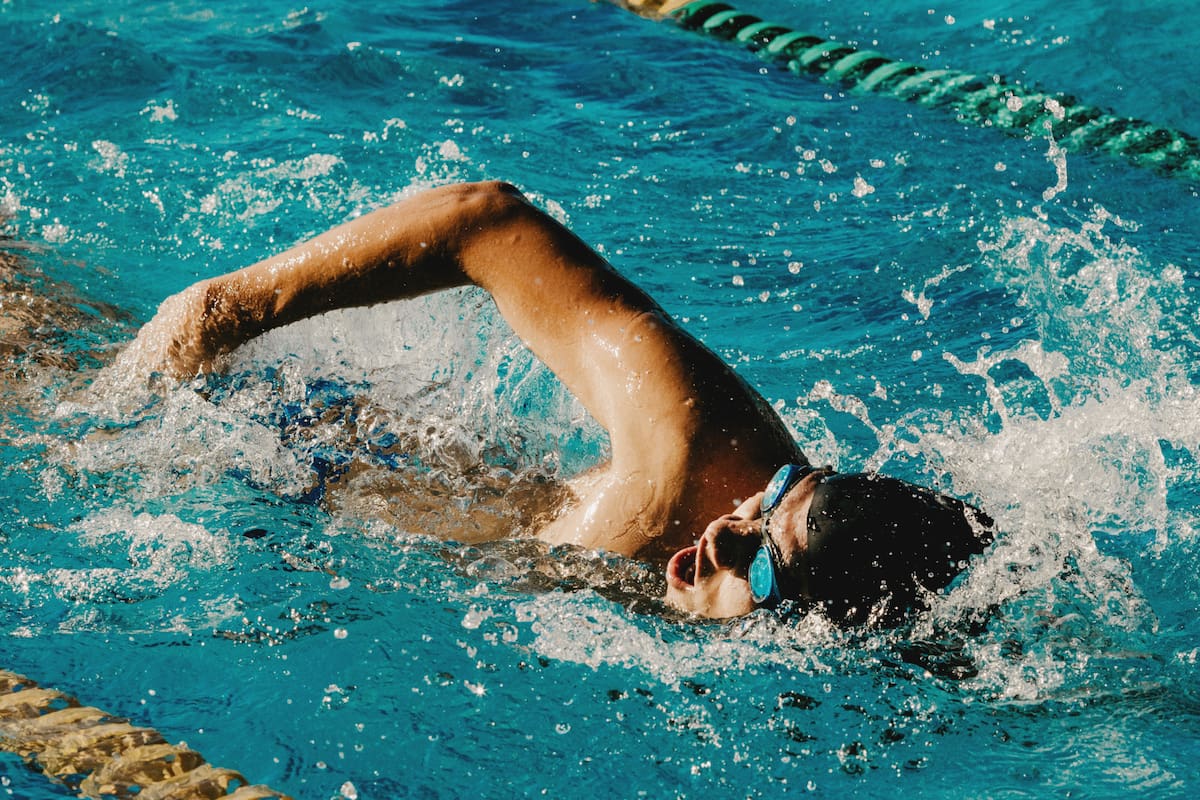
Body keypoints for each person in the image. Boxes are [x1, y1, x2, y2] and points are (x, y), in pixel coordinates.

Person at [120, 180, 994, 625]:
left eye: (764, 564)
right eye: (772, 499)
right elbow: (484, 218)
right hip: (267, 446)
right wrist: (221, 311)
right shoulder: (691, 448)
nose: (727, 531)